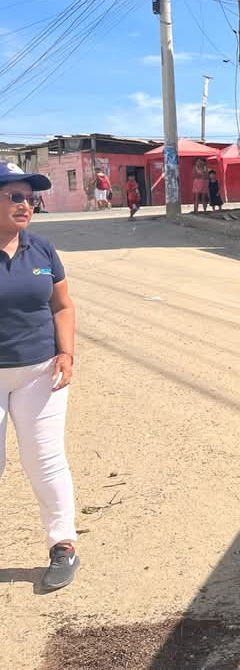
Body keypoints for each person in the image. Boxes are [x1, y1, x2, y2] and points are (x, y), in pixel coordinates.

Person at [0, 162, 79, 591]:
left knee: (45, 460)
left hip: (39, 373)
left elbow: (62, 306)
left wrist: (66, 352)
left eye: (30, 199)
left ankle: (63, 544)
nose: (26, 205)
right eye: (15, 197)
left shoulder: (42, 250)